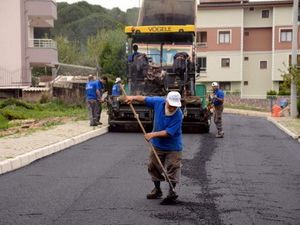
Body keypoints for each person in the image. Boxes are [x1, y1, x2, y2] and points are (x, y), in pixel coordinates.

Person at [125, 91, 183, 203]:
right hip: (157, 145)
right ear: (166, 101)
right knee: (153, 166)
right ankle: (157, 190)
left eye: (175, 106)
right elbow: (144, 98)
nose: (172, 108)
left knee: (173, 168)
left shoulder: (178, 115)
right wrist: (132, 98)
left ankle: (172, 191)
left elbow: (168, 133)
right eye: (171, 105)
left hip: (173, 146)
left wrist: (152, 134)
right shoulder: (158, 102)